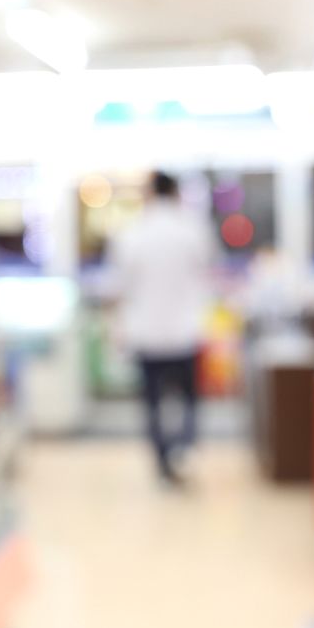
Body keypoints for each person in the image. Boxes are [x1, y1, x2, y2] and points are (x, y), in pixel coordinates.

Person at [106, 170, 218, 484]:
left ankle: (163, 461)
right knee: (189, 400)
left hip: (147, 333)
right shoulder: (193, 230)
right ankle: (183, 449)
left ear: (150, 193)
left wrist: (118, 329)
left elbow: (120, 286)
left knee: (153, 402)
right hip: (185, 330)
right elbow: (208, 269)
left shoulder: (133, 233)